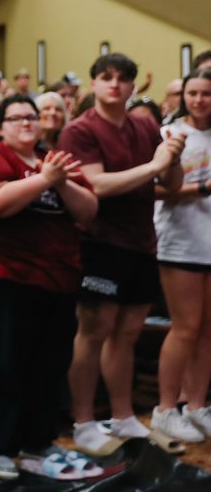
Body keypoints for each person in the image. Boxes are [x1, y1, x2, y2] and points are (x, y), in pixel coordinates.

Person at [0, 95, 98, 479]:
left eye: (31, 117)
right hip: (6, 276)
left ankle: (39, 441)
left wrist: (59, 181)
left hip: (57, 278)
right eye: (16, 117)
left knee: (49, 365)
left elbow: (88, 211)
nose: (26, 123)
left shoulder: (53, 157)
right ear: (0, 125)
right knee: (7, 364)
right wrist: (44, 180)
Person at [59, 53, 185, 455]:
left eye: (123, 79)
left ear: (133, 87)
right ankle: (82, 420)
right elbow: (97, 186)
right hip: (99, 242)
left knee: (128, 333)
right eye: (106, 77)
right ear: (94, 84)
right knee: (94, 331)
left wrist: (173, 158)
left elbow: (171, 180)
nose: (115, 85)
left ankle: (123, 415)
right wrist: (155, 165)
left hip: (142, 241)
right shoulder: (81, 130)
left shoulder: (145, 125)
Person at [152, 69, 211, 443]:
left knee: (207, 331)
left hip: (210, 242)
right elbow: (154, 188)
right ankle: (164, 409)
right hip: (180, 241)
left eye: (207, 93)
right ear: (181, 96)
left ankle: (197, 407)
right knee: (185, 327)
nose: (200, 100)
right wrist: (202, 187)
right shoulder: (169, 135)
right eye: (193, 93)